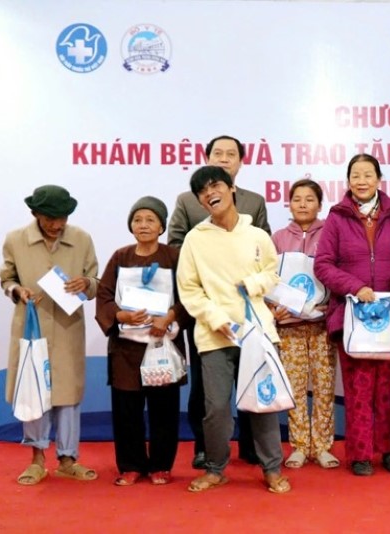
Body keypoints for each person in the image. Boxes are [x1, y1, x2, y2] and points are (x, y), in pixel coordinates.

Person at [176, 165, 289, 493]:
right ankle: (215, 468)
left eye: (216, 186)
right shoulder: (195, 240)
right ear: (199, 201)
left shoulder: (257, 235)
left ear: (231, 188)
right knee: (215, 408)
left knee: (263, 403)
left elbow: (273, 274)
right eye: (203, 191)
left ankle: (272, 469)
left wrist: (253, 283)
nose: (210, 193)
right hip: (215, 336)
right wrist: (216, 318)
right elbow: (189, 289)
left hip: (258, 332)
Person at [168, 135, 268, 468]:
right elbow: (175, 245)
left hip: (247, 309)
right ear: (207, 157)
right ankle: (205, 447)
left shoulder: (254, 202)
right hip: (206, 307)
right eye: (217, 153)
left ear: (240, 162)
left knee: (251, 377)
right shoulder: (188, 200)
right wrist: (209, 270)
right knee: (206, 386)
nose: (224, 158)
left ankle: (253, 447)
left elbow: (265, 251)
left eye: (231, 154)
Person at [314, 153, 390, 476]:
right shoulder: (337, 217)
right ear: (348, 181)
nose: (362, 181)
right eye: (355, 175)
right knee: (357, 387)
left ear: (379, 180)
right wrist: (355, 287)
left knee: (387, 388)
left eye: (368, 174)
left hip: (386, 317)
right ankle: (360, 453)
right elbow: (322, 265)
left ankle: (388, 449)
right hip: (352, 315)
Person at [1, 185, 99, 485]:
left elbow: (96, 281)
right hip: (32, 327)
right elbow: (6, 278)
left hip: (68, 328)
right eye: (50, 219)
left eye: (63, 218)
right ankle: (36, 459)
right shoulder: (16, 239)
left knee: (68, 396)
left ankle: (68, 459)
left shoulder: (81, 239)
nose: (58, 225)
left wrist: (86, 284)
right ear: (35, 214)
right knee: (34, 391)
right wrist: (17, 290)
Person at [95, 196, 191, 485]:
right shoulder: (121, 257)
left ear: (162, 226)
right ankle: (130, 465)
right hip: (126, 350)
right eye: (137, 220)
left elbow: (190, 295)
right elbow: (104, 295)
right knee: (126, 409)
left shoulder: (174, 257)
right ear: (130, 226)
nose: (143, 225)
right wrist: (120, 315)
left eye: (151, 220)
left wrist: (170, 316)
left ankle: (161, 465)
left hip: (163, 344)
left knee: (164, 409)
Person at [271, 178, 339, 470]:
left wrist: (331, 306)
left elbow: (337, 274)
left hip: (322, 323)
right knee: (295, 387)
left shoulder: (331, 234)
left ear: (320, 204)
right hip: (290, 325)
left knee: (324, 387)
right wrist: (273, 308)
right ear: (289, 204)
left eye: (309, 199)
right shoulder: (277, 238)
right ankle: (299, 446)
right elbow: (268, 279)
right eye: (297, 199)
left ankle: (322, 446)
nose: (302, 204)